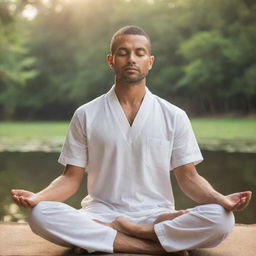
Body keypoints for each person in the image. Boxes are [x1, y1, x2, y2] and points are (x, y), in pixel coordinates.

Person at [11, 26, 252, 255]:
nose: (131, 59)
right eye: (123, 53)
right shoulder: (86, 114)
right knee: (40, 214)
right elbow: (70, 178)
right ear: (111, 60)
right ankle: (151, 246)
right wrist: (37, 198)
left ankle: (119, 234)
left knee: (221, 220)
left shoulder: (174, 115)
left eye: (139, 53)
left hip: (157, 215)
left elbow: (188, 177)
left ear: (150, 61)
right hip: (100, 214)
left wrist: (221, 200)